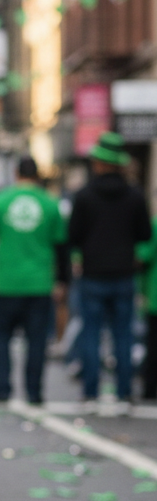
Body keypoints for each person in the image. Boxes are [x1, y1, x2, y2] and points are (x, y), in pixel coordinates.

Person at [68, 132, 152, 408]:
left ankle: (91, 391)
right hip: (124, 274)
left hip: (93, 273)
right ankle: (124, 391)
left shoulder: (84, 196)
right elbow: (144, 235)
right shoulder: (135, 196)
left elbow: (74, 236)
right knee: (123, 335)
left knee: (91, 334)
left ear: (101, 163)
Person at [0, 156, 69, 405]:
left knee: (1, 339)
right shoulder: (50, 205)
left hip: (6, 283)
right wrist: (61, 281)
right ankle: (34, 392)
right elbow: (62, 248)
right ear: (37, 176)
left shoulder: (0, 201)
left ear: (16, 173)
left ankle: (3, 389)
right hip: (39, 284)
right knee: (37, 341)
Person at [136, 213, 157, 400]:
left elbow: (142, 257)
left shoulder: (155, 226)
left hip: (155, 296)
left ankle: (150, 390)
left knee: (153, 347)